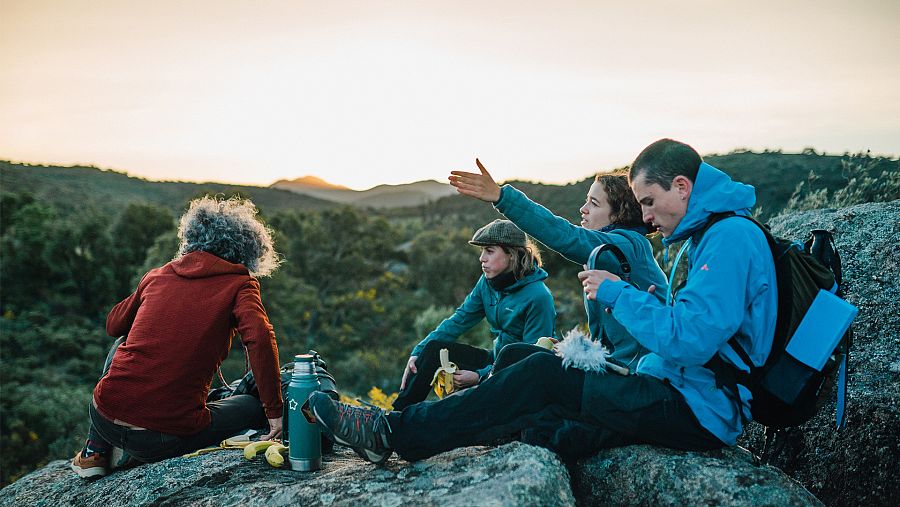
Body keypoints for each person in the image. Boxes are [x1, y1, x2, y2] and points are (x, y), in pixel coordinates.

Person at [309, 138, 776, 464]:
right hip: (680, 388)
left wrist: (618, 294)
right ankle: (418, 428)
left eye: (648, 201)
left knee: (539, 375)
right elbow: (694, 332)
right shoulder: (710, 236)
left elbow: (690, 340)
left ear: (682, 186)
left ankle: (392, 432)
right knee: (532, 379)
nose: (648, 217)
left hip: (698, 408)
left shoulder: (725, 239)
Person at [71, 196, 285, 478]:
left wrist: (151, 294)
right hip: (161, 439)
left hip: (103, 417)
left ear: (191, 237)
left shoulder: (158, 275)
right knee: (249, 405)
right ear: (248, 249)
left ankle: (95, 450)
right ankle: (116, 448)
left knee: (121, 342)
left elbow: (114, 325)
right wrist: (274, 411)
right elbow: (259, 336)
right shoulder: (240, 283)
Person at [449, 159, 668, 371]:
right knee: (521, 359)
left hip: (641, 374)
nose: (583, 209)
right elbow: (609, 341)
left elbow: (566, 236)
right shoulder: (605, 255)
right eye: (586, 200)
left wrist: (502, 197)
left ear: (620, 213)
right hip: (622, 368)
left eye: (594, 203)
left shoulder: (626, 245)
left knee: (522, 366)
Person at [392, 219, 556, 411]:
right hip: (494, 359)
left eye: (490, 251)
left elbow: (530, 361)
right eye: (482, 251)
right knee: (432, 351)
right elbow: (459, 320)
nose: (482, 258)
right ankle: (394, 418)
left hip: (515, 374)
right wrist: (417, 353)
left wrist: (481, 376)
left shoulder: (539, 297)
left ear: (511, 254)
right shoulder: (488, 282)